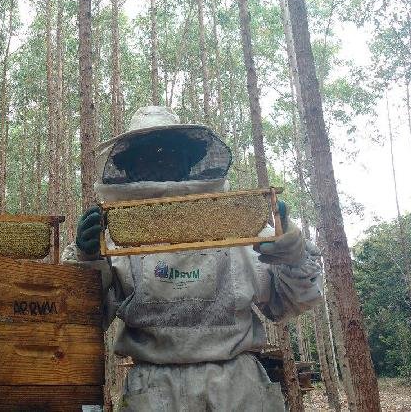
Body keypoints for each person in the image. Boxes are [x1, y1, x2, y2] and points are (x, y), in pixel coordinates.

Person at [65, 106, 323, 411]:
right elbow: (83, 318)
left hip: (237, 388)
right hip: (155, 392)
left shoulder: (233, 222)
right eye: (148, 153)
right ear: (130, 165)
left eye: (168, 151)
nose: (159, 160)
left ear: (188, 160)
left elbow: (291, 300)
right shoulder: (115, 236)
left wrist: (290, 248)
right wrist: (86, 259)